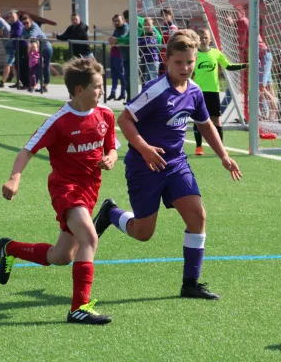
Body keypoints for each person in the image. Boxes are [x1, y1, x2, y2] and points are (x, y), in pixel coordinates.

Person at [93, 30, 242, 301]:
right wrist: (145, 149)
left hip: (176, 165)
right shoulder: (156, 90)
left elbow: (205, 123)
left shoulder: (195, 91)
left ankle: (190, 284)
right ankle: (110, 213)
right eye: (179, 62)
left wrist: (223, 155)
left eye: (190, 62)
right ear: (167, 59)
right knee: (143, 233)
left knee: (198, 217)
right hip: (144, 167)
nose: (185, 68)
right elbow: (124, 120)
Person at [0, 58, 118, 325]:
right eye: (97, 87)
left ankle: (10, 248)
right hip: (66, 188)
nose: (101, 91)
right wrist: (14, 178)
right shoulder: (58, 121)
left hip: (90, 189)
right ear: (79, 90)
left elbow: (112, 147)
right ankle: (79, 308)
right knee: (89, 238)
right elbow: (27, 150)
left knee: (62, 256)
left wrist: (111, 157)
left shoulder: (106, 115)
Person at [192, 27, 247, 155]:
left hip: (213, 91)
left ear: (210, 39)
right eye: (201, 37)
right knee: (197, 119)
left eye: (206, 37)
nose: (203, 40)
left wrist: (245, 65)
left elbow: (228, 66)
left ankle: (220, 147)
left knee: (216, 119)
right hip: (198, 92)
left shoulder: (216, 53)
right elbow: (189, 72)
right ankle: (199, 147)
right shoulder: (194, 54)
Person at [236, 6, 279, 129]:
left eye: (236, 12)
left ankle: (275, 112)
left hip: (263, 56)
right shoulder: (243, 22)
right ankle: (268, 114)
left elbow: (243, 43)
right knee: (268, 87)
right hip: (260, 57)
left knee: (260, 86)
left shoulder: (244, 21)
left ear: (241, 12)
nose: (234, 15)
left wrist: (232, 22)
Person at [109, 10, 162, 102]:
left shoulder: (141, 23)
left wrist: (118, 40)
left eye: (128, 20)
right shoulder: (134, 24)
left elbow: (134, 40)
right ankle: (141, 99)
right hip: (144, 55)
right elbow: (132, 38)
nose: (128, 23)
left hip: (152, 56)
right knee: (144, 79)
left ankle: (153, 99)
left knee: (151, 79)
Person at [21, 14, 53, 92]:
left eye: (27, 23)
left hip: (46, 48)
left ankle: (45, 86)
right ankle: (34, 85)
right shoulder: (25, 29)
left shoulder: (35, 26)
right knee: (37, 67)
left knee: (45, 66)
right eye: (24, 23)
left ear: (30, 22)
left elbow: (32, 36)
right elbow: (22, 35)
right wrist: (25, 36)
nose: (25, 25)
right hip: (38, 50)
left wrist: (25, 37)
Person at [108, 14, 128, 101]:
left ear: (122, 20)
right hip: (113, 54)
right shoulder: (116, 29)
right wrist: (111, 40)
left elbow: (122, 38)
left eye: (118, 21)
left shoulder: (125, 28)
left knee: (122, 75)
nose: (116, 22)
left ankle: (123, 93)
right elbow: (113, 40)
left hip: (120, 55)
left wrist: (115, 40)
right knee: (114, 75)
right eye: (115, 21)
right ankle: (113, 92)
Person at [137, 17, 161, 83]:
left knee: (153, 80)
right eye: (145, 25)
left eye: (149, 25)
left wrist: (138, 42)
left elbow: (148, 41)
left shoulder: (154, 33)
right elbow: (140, 41)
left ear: (152, 25)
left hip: (153, 60)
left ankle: (156, 93)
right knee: (146, 80)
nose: (147, 26)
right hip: (145, 60)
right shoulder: (143, 34)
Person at [159, 8, 178, 76]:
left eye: (166, 15)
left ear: (171, 16)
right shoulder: (164, 28)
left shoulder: (172, 27)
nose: (164, 17)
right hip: (163, 54)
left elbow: (173, 42)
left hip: (169, 54)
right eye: (163, 15)